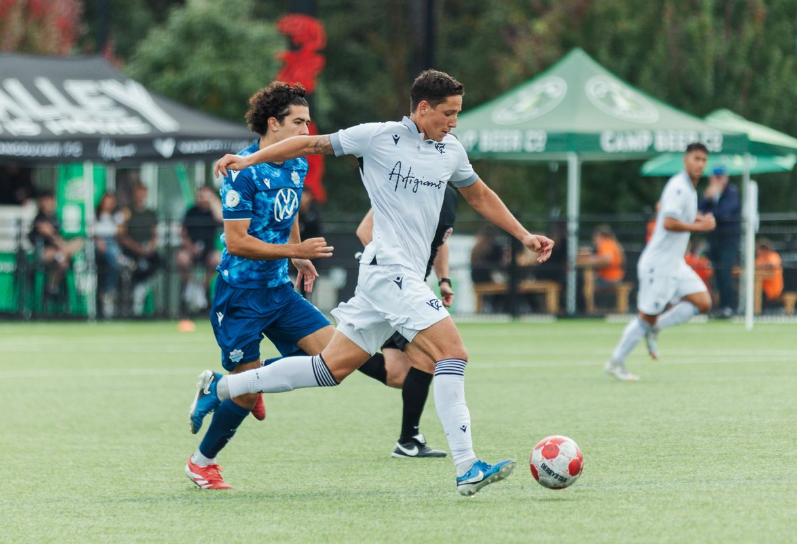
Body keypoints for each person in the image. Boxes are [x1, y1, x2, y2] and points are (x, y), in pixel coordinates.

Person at [196, 69, 554, 497]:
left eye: (457, 113)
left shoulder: (451, 150)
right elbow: (310, 143)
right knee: (452, 353)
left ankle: (223, 386)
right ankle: (466, 466)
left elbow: (479, 195)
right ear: (422, 108)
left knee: (328, 369)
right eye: (448, 113)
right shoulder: (379, 137)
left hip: (388, 278)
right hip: (390, 270)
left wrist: (524, 235)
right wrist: (247, 160)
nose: (454, 121)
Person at [183, 80, 391, 490]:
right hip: (240, 296)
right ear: (273, 123)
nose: (307, 131)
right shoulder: (242, 171)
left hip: (279, 292)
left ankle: (228, 384)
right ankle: (201, 463)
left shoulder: (297, 164)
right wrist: (291, 250)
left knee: (335, 359)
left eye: (309, 122)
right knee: (244, 397)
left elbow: (288, 211)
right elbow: (238, 242)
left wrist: (297, 253)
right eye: (299, 122)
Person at [355, 185, 457, 458]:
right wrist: (394, 271)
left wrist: (443, 280)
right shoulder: (406, 183)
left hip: (409, 287)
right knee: (431, 358)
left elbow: (440, 241)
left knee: (398, 373)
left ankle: (321, 345)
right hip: (393, 287)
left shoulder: (449, 194)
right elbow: (365, 231)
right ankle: (408, 439)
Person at [605, 143, 715, 382]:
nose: (700, 164)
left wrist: (693, 217)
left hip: (675, 263)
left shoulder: (688, 188)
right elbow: (668, 222)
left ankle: (656, 327)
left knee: (703, 302)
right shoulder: (679, 187)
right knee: (646, 316)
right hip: (659, 265)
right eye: (696, 158)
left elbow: (662, 208)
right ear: (685, 160)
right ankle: (616, 362)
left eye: (704, 160)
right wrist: (700, 226)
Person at [699, 166, 741, 317]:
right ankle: (719, 307)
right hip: (714, 240)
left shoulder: (731, 192)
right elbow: (699, 211)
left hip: (728, 241)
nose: (718, 180)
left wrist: (708, 215)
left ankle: (728, 307)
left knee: (725, 274)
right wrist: (707, 198)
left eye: (721, 176)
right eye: (715, 177)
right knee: (716, 274)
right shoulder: (709, 193)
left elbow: (725, 213)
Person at [28, 190, 84, 302]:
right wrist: (64, 245)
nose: (49, 203)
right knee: (62, 257)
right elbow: (52, 236)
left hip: (60, 252)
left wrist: (65, 245)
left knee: (79, 242)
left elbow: (62, 236)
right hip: (43, 254)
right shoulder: (39, 219)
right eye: (46, 200)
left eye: (51, 200)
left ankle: (55, 286)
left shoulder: (56, 218)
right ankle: (52, 286)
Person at [176, 186, 223, 312]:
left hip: (208, 250)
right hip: (191, 249)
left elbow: (221, 219)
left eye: (206, 196)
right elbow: (182, 232)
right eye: (201, 196)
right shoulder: (191, 211)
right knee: (181, 258)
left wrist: (213, 201)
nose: (203, 199)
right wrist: (190, 247)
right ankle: (191, 285)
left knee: (218, 259)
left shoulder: (213, 211)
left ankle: (202, 287)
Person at [118, 182, 161, 315]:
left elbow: (155, 234)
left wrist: (151, 246)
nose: (141, 196)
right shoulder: (127, 212)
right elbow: (122, 236)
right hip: (131, 250)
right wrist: (138, 248)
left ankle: (143, 289)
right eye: (138, 193)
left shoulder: (150, 213)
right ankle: (134, 293)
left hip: (147, 250)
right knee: (132, 266)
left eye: (143, 193)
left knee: (160, 262)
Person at [92, 191, 125, 318]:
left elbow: (121, 233)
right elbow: (93, 233)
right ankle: (121, 259)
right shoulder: (95, 216)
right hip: (99, 250)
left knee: (112, 262)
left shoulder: (116, 216)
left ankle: (108, 294)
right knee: (108, 247)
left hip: (112, 248)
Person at [580, 225, 624, 312]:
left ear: (600, 236)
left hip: (610, 278)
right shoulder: (614, 243)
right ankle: (591, 308)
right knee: (590, 276)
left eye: (595, 237)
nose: (594, 239)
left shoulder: (606, 243)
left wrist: (592, 259)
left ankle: (590, 309)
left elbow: (607, 259)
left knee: (588, 281)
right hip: (615, 277)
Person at [755, 238, 784, 304]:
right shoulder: (758, 259)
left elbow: (772, 265)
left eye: (764, 248)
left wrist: (760, 267)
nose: (763, 251)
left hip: (773, 288)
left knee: (758, 292)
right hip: (761, 287)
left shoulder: (773, 256)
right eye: (761, 248)